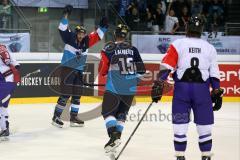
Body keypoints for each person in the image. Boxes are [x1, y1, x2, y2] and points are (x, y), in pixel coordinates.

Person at [151, 16, 224, 160]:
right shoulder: (210, 48)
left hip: (181, 91)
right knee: (205, 127)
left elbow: (167, 66)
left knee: (180, 126)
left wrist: (159, 83)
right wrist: (216, 91)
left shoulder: (178, 44)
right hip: (202, 92)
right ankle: (206, 156)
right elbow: (214, 74)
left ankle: (180, 156)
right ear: (201, 30)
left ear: (186, 28)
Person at [51, 5, 108, 128]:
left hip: (79, 71)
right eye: (79, 33)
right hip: (67, 70)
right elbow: (62, 28)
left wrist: (104, 26)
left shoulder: (87, 41)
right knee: (65, 94)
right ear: (76, 33)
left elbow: (98, 35)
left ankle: (74, 117)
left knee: (77, 95)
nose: (81, 35)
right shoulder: (69, 38)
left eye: (83, 34)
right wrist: (65, 15)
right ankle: (56, 117)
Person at [99, 24, 145, 154]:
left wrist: (104, 73)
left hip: (114, 88)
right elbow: (142, 71)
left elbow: (103, 68)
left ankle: (113, 137)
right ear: (126, 36)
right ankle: (117, 138)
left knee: (107, 112)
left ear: (115, 34)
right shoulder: (133, 49)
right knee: (121, 114)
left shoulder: (109, 48)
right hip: (129, 89)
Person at [0, 44, 20, 140]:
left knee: (1, 103)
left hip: (7, 80)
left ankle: (4, 128)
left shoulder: (2, 48)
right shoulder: (3, 47)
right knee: (3, 105)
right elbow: (17, 65)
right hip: (7, 80)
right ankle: (5, 128)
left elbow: (7, 58)